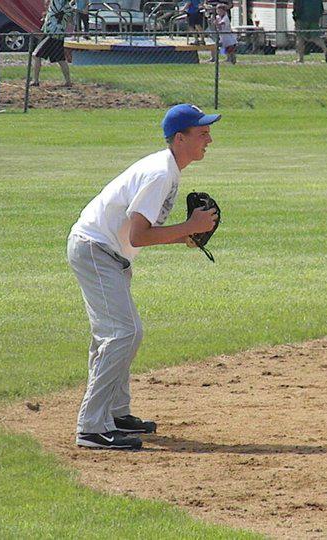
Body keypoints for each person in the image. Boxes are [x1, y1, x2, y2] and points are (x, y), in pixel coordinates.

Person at [67, 104, 221, 451]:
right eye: (202, 133)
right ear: (180, 139)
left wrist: (183, 236)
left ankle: (116, 415)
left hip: (107, 253)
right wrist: (189, 227)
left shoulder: (168, 168)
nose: (209, 139)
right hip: (96, 251)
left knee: (112, 335)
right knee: (123, 333)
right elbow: (138, 235)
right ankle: (91, 427)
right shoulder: (160, 173)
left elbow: (141, 233)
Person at [31, 0, 73, 87]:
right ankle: (68, 81)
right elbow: (68, 20)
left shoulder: (58, 2)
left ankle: (35, 81)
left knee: (36, 55)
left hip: (51, 34)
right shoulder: (68, 8)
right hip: (58, 35)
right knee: (61, 59)